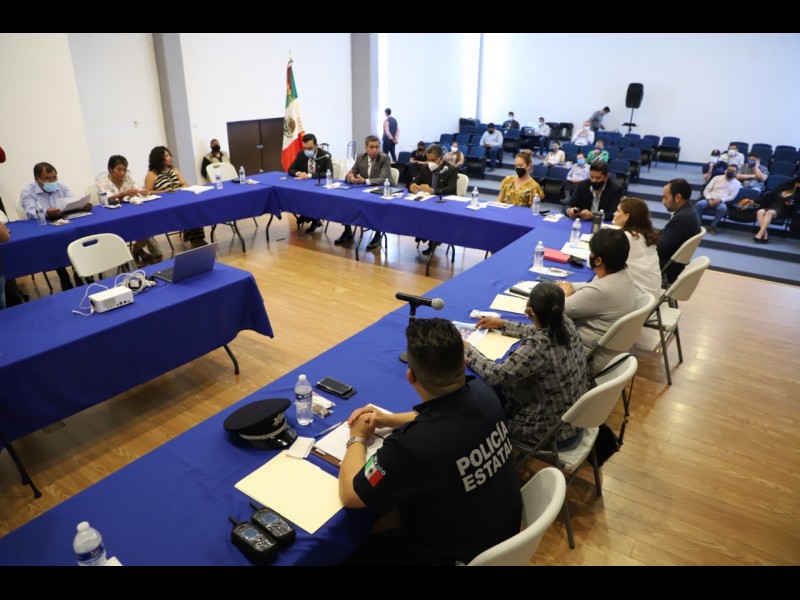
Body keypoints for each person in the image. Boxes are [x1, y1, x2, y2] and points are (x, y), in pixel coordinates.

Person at [338, 318, 522, 566]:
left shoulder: (412, 446)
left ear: (410, 376)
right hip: (505, 537)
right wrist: (388, 420)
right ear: (463, 362)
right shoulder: (484, 392)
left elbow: (351, 495)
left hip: (453, 555)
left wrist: (358, 437)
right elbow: (444, 417)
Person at [465, 283, 588, 448]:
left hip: (549, 432)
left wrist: (468, 350)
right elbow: (538, 331)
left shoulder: (538, 346)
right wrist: (503, 325)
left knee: (479, 399)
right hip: (576, 418)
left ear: (529, 311)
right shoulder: (565, 322)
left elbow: (495, 376)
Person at [557, 228, 638, 376]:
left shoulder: (601, 291)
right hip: (610, 354)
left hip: (586, 358)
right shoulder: (623, 275)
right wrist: (568, 287)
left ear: (598, 261)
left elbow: (560, 309)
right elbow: (590, 288)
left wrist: (565, 293)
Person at [20, 162, 93, 291]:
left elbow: (73, 200)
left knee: (79, 234)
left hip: (64, 222)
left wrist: (83, 205)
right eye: (47, 179)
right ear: (37, 179)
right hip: (43, 227)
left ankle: (79, 272)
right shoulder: (27, 191)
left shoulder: (61, 186)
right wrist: (46, 212)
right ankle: (63, 276)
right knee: (53, 242)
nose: (52, 181)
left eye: (54, 177)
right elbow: (30, 212)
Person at [96, 155, 163, 265]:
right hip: (111, 214)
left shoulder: (127, 177)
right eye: (119, 169)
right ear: (110, 169)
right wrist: (123, 194)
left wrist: (143, 192)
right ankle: (137, 251)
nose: (122, 173)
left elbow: (138, 189)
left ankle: (138, 248)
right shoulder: (102, 181)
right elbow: (107, 200)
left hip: (129, 211)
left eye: (124, 169)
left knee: (146, 219)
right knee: (140, 223)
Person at [144, 146, 207, 248]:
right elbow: (147, 192)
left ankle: (199, 238)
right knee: (186, 210)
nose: (170, 157)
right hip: (165, 203)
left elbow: (184, 184)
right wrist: (163, 191)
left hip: (179, 199)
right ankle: (193, 239)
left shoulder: (174, 170)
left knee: (193, 207)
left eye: (169, 155)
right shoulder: (152, 174)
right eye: (166, 156)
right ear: (159, 159)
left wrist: (181, 188)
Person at [340, 135, 391, 249]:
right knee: (346, 201)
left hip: (381, 191)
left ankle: (377, 235)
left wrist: (364, 181)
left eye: (377, 147)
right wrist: (350, 177)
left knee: (376, 206)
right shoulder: (360, 157)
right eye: (371, 147)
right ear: (366, 147)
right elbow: (350, 173)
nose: (374, 150)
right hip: (364, 191)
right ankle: (348, 231)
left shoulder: (384, 158)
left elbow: (383, 179)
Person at [409, 144, 459, 255]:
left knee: (435, 216)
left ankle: (433, 240)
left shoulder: (450, 169)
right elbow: (415, 181)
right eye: (428, 159)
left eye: (432, 160)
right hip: (427, 202)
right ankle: (422, 233)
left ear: (440, 158)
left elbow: (451, 189)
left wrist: (433, 191)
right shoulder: (425, 167)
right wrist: (412, 186)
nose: (429, 162)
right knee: (415, 211)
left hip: (444, 202)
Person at [612, 197, 661, 298]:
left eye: (617, 211)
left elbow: (599, 262)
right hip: (650, 296)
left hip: (637, 297)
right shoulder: (646, 235)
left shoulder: (626, 238)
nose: (614, 214)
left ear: (627, 216)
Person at [287, 133, 332, 234]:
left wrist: (309, 175)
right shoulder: (301, 154)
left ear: (316, 145)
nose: (307, 151)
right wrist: (299, 173)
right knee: (296, 194)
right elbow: (291, 169)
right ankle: (307, 215)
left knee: (313, 197)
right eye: (305, 148)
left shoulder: (324, 155)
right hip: (305, 186)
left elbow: (329, 173)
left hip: (320, 186)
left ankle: (315, 219)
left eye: (310, 148)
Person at [657, 178, 701, 284]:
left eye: (666, 197)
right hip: (672, 264)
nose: (663, 202)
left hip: (667, 268)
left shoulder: (683, 218)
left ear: (677, 198)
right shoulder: (688, 212)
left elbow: (661, 249)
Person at [695, 164, 741, 235]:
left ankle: (712, 226)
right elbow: (706, 190)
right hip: (709, 199)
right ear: (726, 170)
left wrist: (720, 200)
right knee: (699, 204)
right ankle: (698, 225)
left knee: (723, 209)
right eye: (729, 170)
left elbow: (732, 197)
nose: (730, 172)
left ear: (736, 173)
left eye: (733, 171)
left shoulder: (737, 183)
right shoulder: (716, 178)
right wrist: (709, 199)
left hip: (722, 202)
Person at [754, 177, 800, 243]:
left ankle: (760, 234)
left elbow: (797, 206)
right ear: (795, 182)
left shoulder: (798, 194)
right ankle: (765, 234)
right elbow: (770, 196)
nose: (799, 185)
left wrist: (792, 204)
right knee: (760, 211)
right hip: (772, 207)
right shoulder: (783, 188)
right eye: (798, 183)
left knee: (769, 212)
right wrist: (757, 202)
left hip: (784, 210)